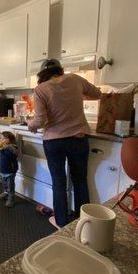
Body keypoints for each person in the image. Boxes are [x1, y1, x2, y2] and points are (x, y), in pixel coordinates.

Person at [27, 59, 102, 228]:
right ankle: (84, 222)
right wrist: (77, 95)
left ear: (42, 74)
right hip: (78, 139)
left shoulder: (40, 89)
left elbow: (40, 120)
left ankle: (61, 222)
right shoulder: (75, 79)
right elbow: (97, 94)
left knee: (59, 182)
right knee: (80, 181)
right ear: (60, 70)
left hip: (54, 142)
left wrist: (29, 123)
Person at [0, 131, 18, 208]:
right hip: (2, 170)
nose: (2, 140)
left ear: (10, 140)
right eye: (1, 138)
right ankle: (5, 193)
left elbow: (14, 154)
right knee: (4, 184)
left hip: (10, 171)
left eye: (4, 139)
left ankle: (11, 199)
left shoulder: (13, 147)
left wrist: (6, 147)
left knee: (10, 186)